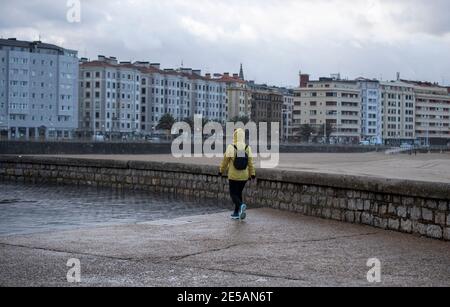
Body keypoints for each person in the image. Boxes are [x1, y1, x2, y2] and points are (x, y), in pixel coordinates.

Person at [219, 128, 256, 220]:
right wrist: (252, 174)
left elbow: (225, 162)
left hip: (233, 176)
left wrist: (221, 171)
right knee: (238, 193)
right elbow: (251, 163)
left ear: (234, 136)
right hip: (244, 176)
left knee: (233, 194)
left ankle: (241, 205)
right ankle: (236, 213)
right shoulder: (247, 148)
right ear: (243, 136)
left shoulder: (231, 147)